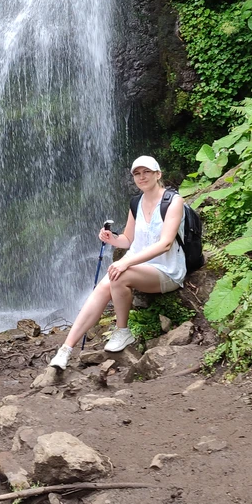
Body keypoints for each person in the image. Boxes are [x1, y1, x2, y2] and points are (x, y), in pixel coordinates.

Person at [49, 155, 186, 370]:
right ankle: (65, 349)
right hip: (138, 268)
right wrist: (111, 238)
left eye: (146, 172)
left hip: (167, 270)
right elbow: (128, 239)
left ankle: (123, 332)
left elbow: (165, 244)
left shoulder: (173, 201)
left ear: (158, 174)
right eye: (137, 173)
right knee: (102, 288)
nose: (142, 177)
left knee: (119, 273)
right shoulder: (136, 203)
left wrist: (125, 263)